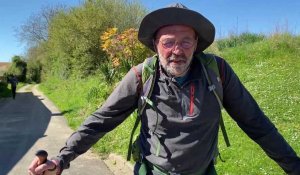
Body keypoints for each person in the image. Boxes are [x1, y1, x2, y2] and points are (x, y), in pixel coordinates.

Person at [29, 3, 300, 175]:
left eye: (185, 42)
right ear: (156, 45)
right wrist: (61, 160)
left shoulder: (218, 72)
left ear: (196, 44)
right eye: (168, 42)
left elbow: (257, 124)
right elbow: (100, 121)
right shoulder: (140, 75)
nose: (177, 51)